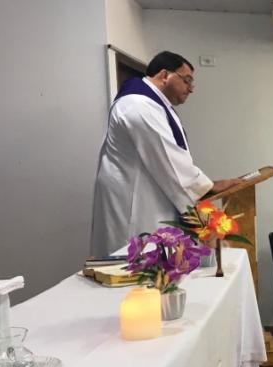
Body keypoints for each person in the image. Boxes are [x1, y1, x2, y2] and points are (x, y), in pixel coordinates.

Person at [90, 51, 244, 256]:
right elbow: (167, 157)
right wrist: (208, 186)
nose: (191, 88)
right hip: (135, 206)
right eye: (187, 80)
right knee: (135, 261)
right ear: (164, 75)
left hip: (149, 198)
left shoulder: (156, 105)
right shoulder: (138, 105)